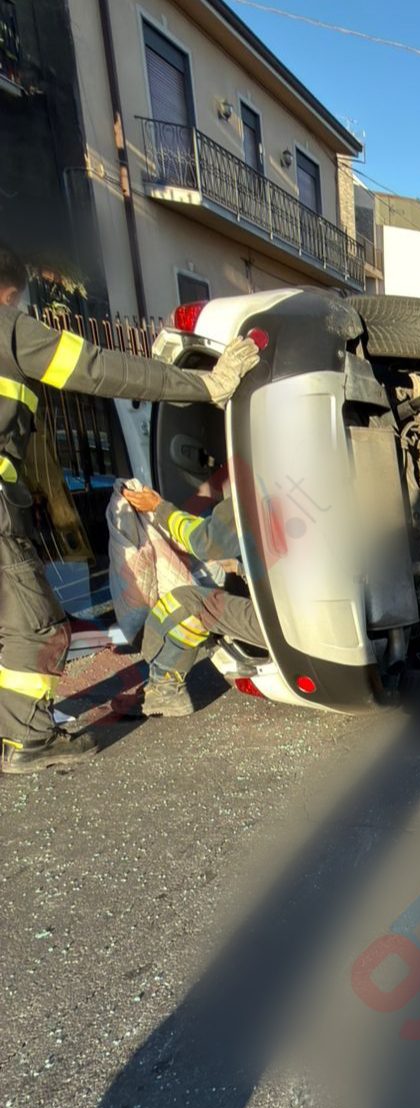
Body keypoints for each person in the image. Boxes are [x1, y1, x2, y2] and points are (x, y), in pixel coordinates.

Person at [0, 242, 260, 773]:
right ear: (9, 290)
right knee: (36, 626)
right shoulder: (6, 328)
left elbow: (207, 541)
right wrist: (206, 385)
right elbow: (97, 367)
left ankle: (149, 689)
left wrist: (160, 509)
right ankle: (27, 742)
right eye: (20, 300)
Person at [117, 488, 265, 717]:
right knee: (228, 586)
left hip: (286, 622)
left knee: (183, 603)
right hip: (318, 612)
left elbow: (205, 542)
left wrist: (159, 507)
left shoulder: (262, 488)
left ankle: (164, 689)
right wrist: (241, 567)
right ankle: (243, 654)